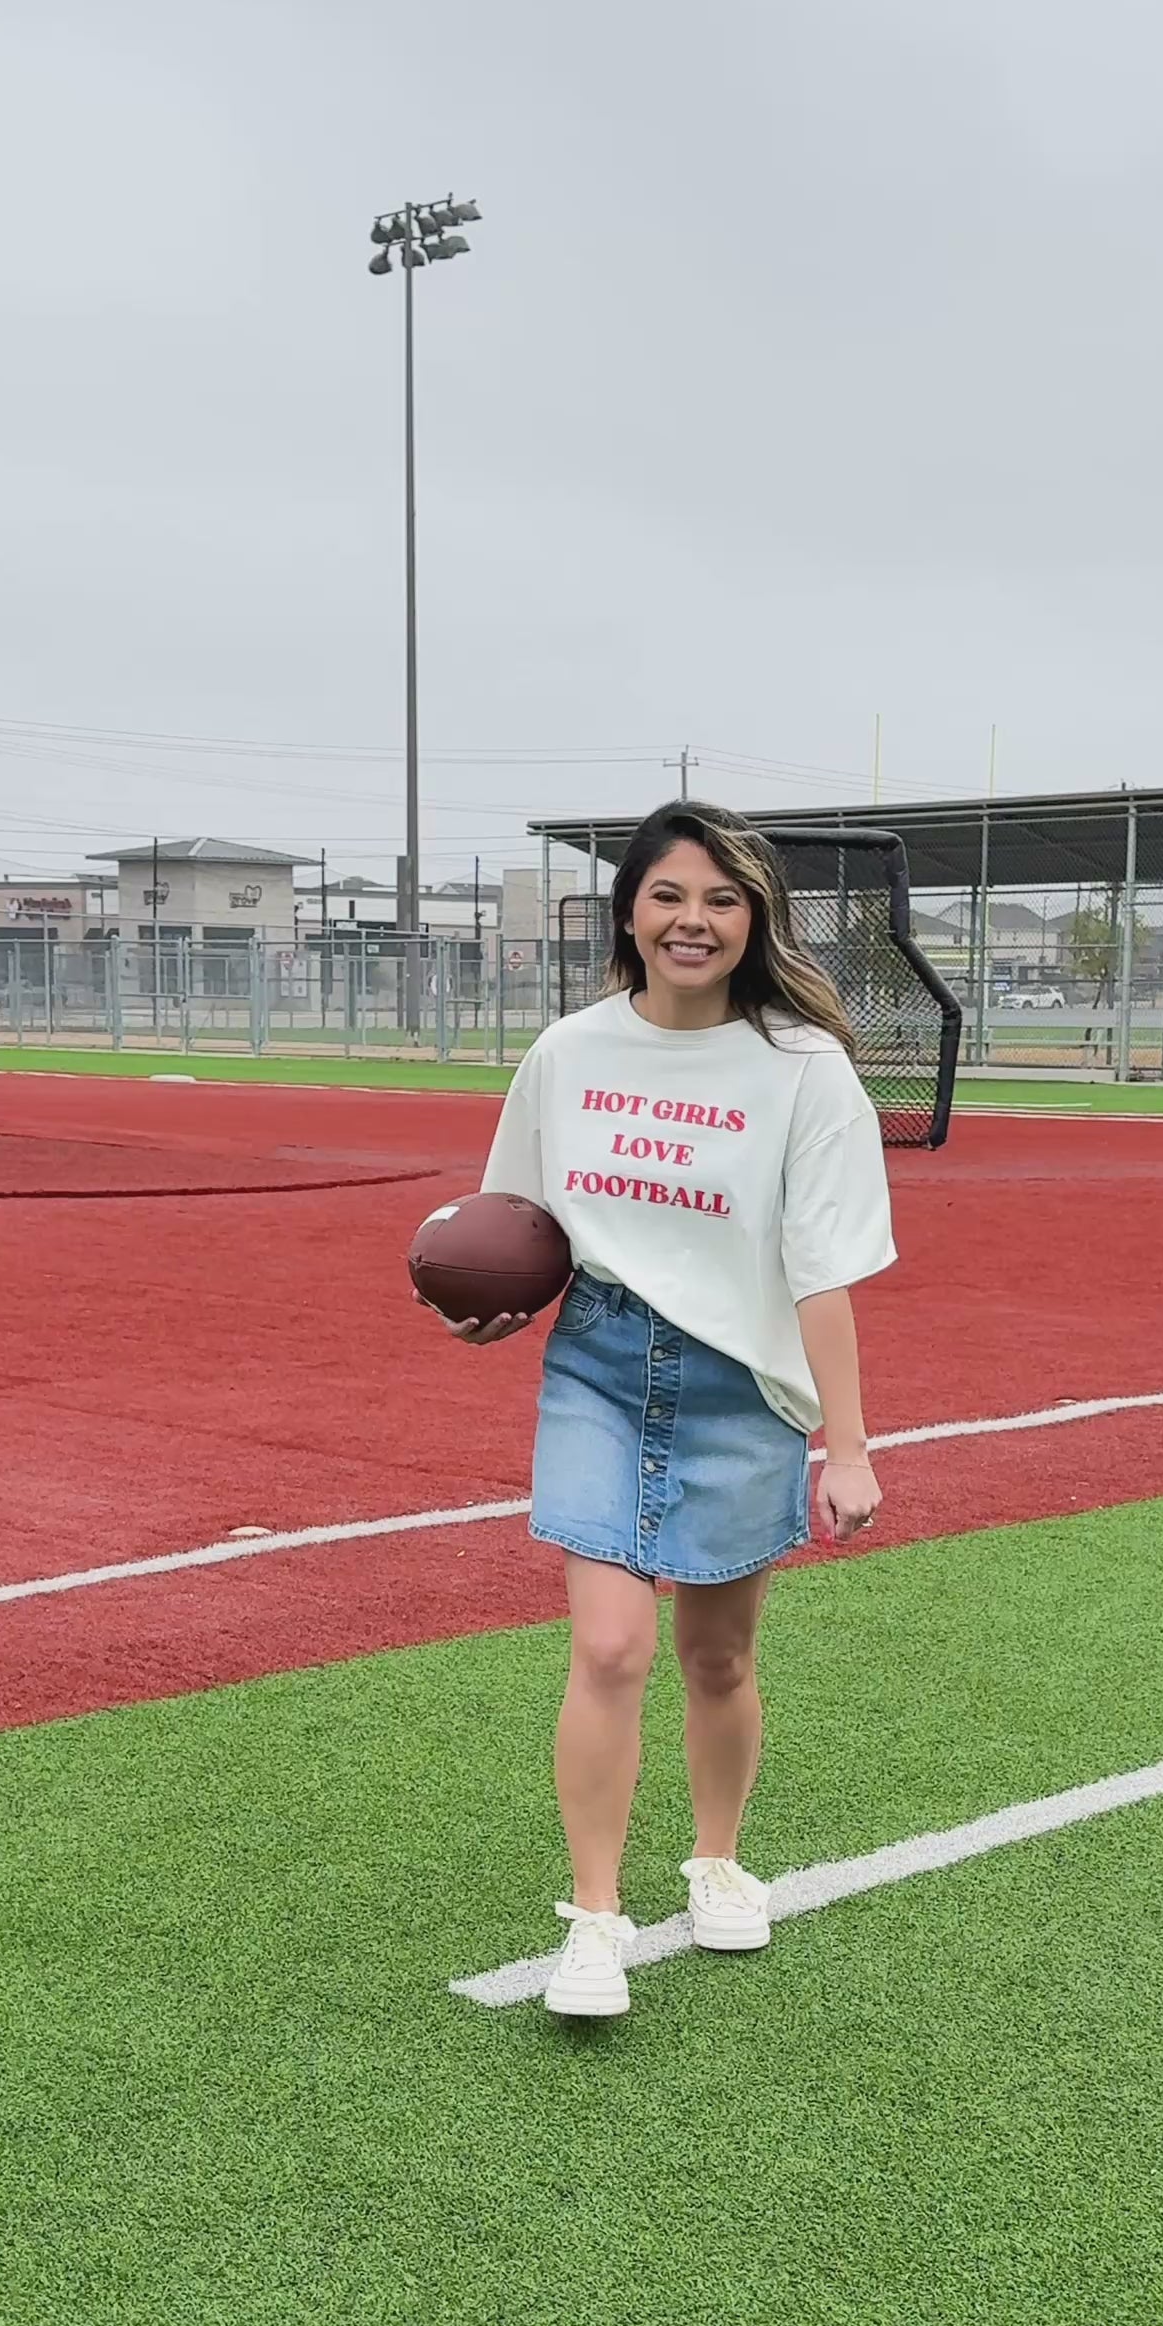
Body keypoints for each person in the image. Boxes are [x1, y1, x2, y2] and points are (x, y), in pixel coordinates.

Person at [432, 799, 893, 2018]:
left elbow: (822, 1269)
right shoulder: (566, 1054)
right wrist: (491, 1307)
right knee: (609, 1647)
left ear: (757, 919)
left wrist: (846, 1445)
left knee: (718, 1655)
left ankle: (717, 1862)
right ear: (630, 914)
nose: (696, 920)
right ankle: (594, 1920)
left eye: (724, 899)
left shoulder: (806, 1068)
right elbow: (520, 1226)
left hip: (742, 1380)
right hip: (598, 1361)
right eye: (671, 896)